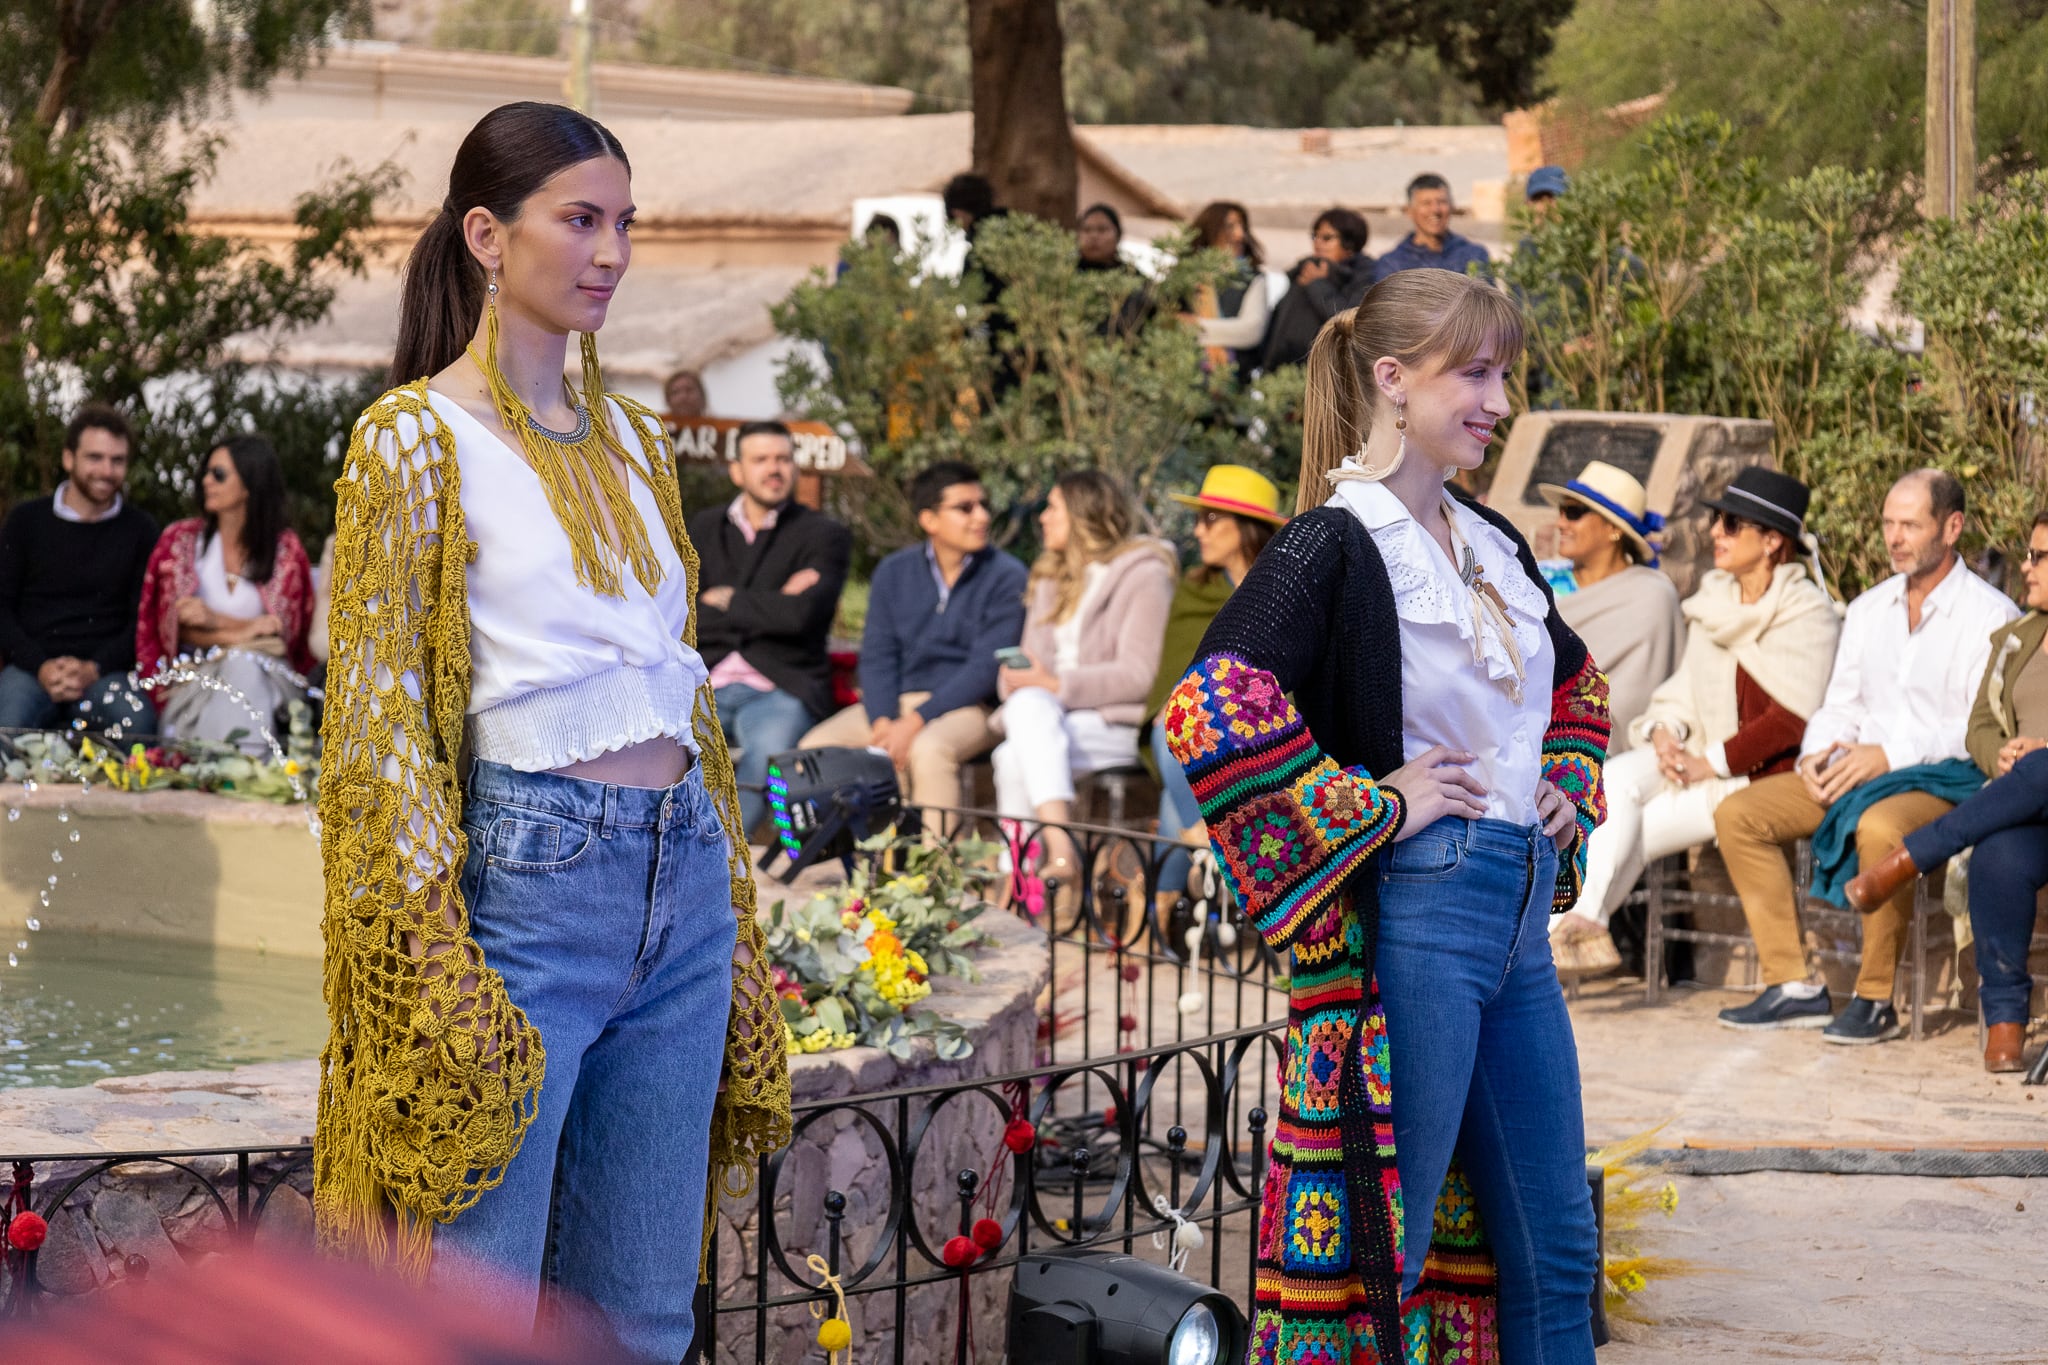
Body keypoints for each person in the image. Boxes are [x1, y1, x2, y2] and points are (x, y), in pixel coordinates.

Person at [315, 102, 789, 1362]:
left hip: (680, 881)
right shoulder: (411, 440)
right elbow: (377, 724)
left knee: (635, 1316)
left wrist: (726, 918)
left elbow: (679, 691)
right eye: (579, 220)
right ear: (485, 233)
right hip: (528, 892)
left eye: (624, 223)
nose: (611, 253)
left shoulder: (637, 437)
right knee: (474, 1316)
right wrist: (423, 948)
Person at [1164, 270, 1610, 1362]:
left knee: (1557, 1248)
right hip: (1420, 916)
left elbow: (1578, 686)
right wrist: (1368, 805)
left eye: (1501, 372)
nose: (1496, 400)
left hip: (1513, 926)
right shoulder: (1335, 539)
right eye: (1473, 373)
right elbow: (1205, 708)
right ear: (1390, 379)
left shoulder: (1490, 539)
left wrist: (1565, 783)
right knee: (1383, 1253)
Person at [1713, 469, 2018, 1043]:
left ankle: (1876, 998)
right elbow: (1839, 704)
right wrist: (1816, 755)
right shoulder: (1869, 608)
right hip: (1854, 767)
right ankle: (1793, 984)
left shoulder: (1990, 615)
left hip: (1944, 778)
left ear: (1952, 528)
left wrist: (1887, 754)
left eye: (1910, 524)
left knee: (1880, 829)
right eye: (1888, 524)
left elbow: (1977, 729)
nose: (1894, 537)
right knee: (1740, 814)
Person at [1552, 468, 1841, 974]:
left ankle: (1567, 934)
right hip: (1697, 760)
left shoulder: (1807, 613)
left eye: (1731, 524)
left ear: (1772, 541)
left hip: (1758, 779)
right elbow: (1683, 691)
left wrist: (1705, 763)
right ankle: (1580, 931)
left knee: (1630, 833)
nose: (1714, 533)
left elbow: (1791, 720)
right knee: (1613, 782)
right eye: (1716, 521)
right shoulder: (1715, 602)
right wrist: (1664, 732)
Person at [1845, 509, 2048, 1071]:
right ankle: (2005, 1023)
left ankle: (1908, 859)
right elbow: (1981, 724)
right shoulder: (2016, 638)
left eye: (2039, 557)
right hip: (2025, 803)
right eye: (2029, 555)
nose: (2027, 568)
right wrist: (1999, 754)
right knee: (1998, 859)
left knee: (2043, 765)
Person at [800, 460, 1027, 813]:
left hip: (971, 708)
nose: (981, 516)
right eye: (965, 508)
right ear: (929, 519)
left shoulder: (1007, 576)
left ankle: (935, 865)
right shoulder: (895, 571)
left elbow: (984, 668)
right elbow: (877, 654)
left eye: (984, 506)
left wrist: (914, 722)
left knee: (929, 749)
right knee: (814, 749)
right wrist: (883, 723)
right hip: (898, 704)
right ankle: (844, 862)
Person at [993, 470, 1175, 878]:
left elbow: (1140, 675)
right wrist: (1017, 679)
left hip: (1116, 722)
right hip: (1049, 719)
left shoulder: (1146, 575)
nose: (1042, 517)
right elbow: (1031, 663)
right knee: (1019, 731)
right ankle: (1050, 862)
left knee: (1011, 758)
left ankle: (1024, 880)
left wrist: (1056, 686)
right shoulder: (1049, 578)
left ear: (1082, 514)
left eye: (1052, 507)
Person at [689, 420, 852, 838]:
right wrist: (774, 601)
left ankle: (723, 859)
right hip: (704, 682)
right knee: (668, 753)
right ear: (737, 471)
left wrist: (725, 598)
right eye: (761, 459)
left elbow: (802, 617)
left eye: (782, 458)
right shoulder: (700, 530)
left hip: (779, 685)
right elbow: (682, 614)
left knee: (767, 757)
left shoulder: (824, 535)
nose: (774, 469)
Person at [1145, 465, 1285, 906]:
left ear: (1245, 529)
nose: (1198, 531)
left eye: (1209, 519)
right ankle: (1205, 848)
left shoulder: (1283, 589)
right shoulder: (1195, 591)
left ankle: (1154, 910)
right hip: (1197, 733)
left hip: (1264, 730)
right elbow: (1174, 673)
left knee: (1179, 781)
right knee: (1172, 728)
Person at [135, 435, 315, 754]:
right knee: (237, 664)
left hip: (271, 678)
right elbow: (176, 629)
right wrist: (246, 629)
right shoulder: (179, 542)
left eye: (218, 474)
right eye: (206, 472)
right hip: (194, 677)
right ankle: (239, 767)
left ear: (249, 483)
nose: (206, 481)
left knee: (243, 667)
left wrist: (213, 621)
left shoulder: (285, 550)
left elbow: (281, 634)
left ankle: (222, 767)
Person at [0, 403, 159, 737]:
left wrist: (93, 668)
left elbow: (143, 621)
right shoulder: (26, 522)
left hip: (106, 674)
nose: (106, 470)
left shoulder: (141, 530)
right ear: (68, 458)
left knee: (138, 725)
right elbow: (2, 608)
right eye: (95, 458)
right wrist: (40, 665)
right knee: (6, 725)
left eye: (117, 461)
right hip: (31, 669)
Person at [1537, 460, 1684, 750]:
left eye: (1574, 513)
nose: (1560, 523)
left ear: (1613, 529)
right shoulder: (1537, 579)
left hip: (1608, 746)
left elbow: (1643, 689)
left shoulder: (1652, 594)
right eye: (1561, 512)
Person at [1259, 208, 1375, 371]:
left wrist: (1318, 284)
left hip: (1327, 373)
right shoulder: (1304, 270)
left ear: (1349, 244)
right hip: (1282, 369)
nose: (1318, 243)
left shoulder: (1365, 277)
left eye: (1326, 238)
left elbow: (1347, 320)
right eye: (1315, 236)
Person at [1185, 200, 1271, 371]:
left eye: (1243, 227)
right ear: (1210, 230)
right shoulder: (1185, 275)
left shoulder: (1252, 278)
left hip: (1233, 379)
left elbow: (1251, 330)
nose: (1240, 235)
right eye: (1230, 227)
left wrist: (1195, 327)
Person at [1375, 173, 1493, 282]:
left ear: (1452, 206)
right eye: (1426, 203)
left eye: (1442, 202)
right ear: (1409, 211)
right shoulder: (1393, 264)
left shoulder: (1474, 255)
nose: (1435, 210)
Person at [1075, 202, 1125, 271]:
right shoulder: (1064, 273)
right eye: (1087, 230)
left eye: (1102, 229)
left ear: (1118, 235)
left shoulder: (1132, 277)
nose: (1093, 236)